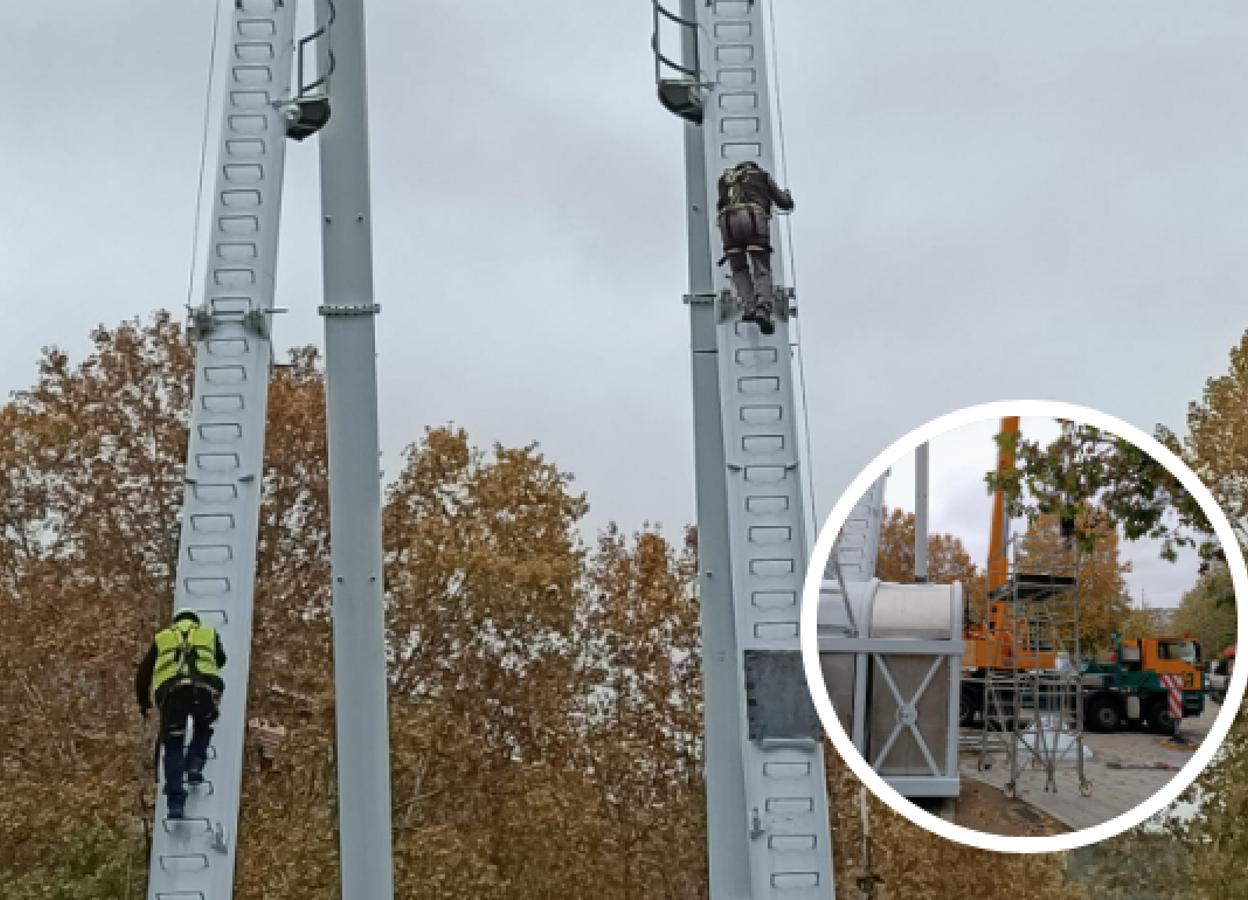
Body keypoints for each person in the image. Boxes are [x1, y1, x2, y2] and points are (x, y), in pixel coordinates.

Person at [135, 609, 226, 819]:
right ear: (195, 623)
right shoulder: (208, 633)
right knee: (204, 725)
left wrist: (144, 703)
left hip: (172, 693)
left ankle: (175, 803)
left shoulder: (163, 638)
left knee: (174, 744)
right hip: (203, 689)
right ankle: (195, 765)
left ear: (175, 624)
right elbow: (220, 659)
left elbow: (143, 674)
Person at [716, 161, 795, 335]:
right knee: (761, 268)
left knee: (739, 269)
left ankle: (749, 308)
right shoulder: (762, 176)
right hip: (752, 218)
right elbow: (784, 203)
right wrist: (788, 197)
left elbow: (720, 204)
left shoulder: (724, 180)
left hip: (727, 222)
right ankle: (763, 310)